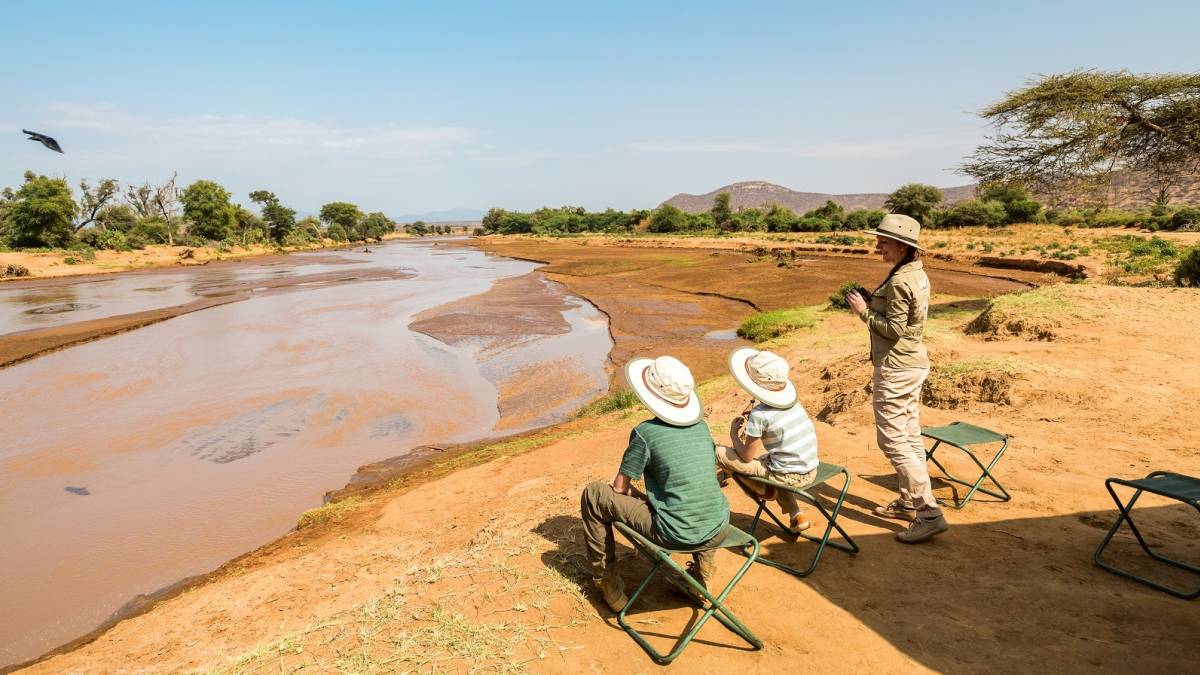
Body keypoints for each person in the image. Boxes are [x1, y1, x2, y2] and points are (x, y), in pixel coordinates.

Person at [580, 355, 730, 612]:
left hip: (675, 534)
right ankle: (703, 576)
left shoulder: (645, 432)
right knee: (697, 496)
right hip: (719, 527)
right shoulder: (702, 427)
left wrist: (635, 494)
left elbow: (619, 488)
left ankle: (608, 585)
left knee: (594, 494)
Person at [846, 213, 947, 544]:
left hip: (896, 367)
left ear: (903, 246)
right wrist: (873, 301)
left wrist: (863, 311)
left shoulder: (902, 280)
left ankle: (928, 512)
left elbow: (893, 329)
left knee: (892, 439)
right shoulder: (913, 272)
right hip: (912, 364)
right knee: (908, 432)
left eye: (883, 242)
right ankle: (909, 500)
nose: (877, 247)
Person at [718, 348, 820, 534]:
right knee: (774, 460)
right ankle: (796, 514)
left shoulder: (760, 414)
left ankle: (761, 489)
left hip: (786, 476)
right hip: (810, 470)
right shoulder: (794, 403)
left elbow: (747, 457)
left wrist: (733, 434)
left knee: (719, 454)